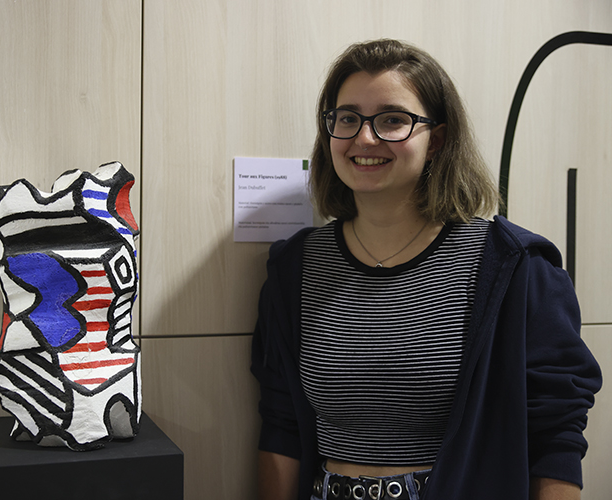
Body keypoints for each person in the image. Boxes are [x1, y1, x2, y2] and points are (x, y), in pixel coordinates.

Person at [251, 39, 602, 500]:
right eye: (348, 118)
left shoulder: (514, 266)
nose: (365, 138)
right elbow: (281, 423)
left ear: (436, 140)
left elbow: (555, 430)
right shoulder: (295, 267)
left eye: (392, 120)